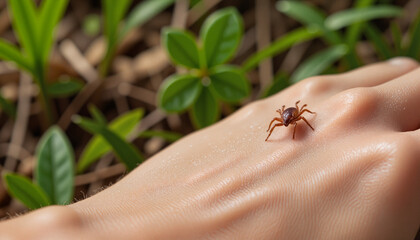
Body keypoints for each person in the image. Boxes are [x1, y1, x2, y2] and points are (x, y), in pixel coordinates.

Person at [0, 57, 419, 239]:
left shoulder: (297, 115)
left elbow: (300, 117)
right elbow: (290, 118)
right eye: (288, 119)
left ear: (294, 114)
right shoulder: (289, 117)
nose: (289, 119)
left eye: (290, 118)